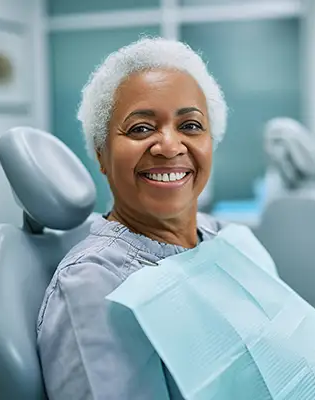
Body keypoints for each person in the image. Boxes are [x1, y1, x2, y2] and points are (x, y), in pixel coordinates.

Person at [36, 37, 228, 399]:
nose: (170, 147)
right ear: (101, 154)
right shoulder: (94, 286)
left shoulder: (222, 239)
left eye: (190, 126)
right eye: (140, 128)